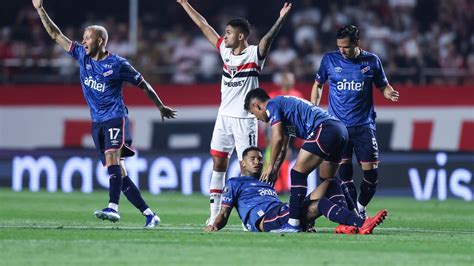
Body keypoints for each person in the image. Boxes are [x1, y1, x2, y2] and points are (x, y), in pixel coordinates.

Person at [33, 0, 177, 228]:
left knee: (112, 157)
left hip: (115, 117)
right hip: (96, 122)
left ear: (100, 41)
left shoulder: (118, 64)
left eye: (87, 37)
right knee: (119, 173)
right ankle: (150, 214)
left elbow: (143, 84)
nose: (83, 41)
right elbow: (55, 35)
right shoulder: (82, 55)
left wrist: (160, 106)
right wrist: (40, 9)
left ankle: (113, 207)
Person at [177, 0, 292, 226]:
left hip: (245, 121)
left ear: (241, 36)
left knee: (250, 168)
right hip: (223, 118)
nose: (225, 36)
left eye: (229, 33)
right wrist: (185, 4)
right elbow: (204, 26)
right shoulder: (224, 51)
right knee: (218, 164)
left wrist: (281, 18)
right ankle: (214, 214)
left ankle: (251, 211)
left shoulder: (253, 55)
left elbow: (267, 40)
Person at [311, 25, 400, 218]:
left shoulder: (372, 61)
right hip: (338, 128)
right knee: (344, 174)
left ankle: (360, 206)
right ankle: (354, 213)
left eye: (346, 47)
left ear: (357, 43)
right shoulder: (329, 60)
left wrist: (388, 92)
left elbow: (383, 85)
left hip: (363, 127)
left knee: (371, 176)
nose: (342, 51)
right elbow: (318, 85)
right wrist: (314, 108)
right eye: (339, 47)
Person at [204, 146, 387, 234]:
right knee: (321, 203)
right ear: (242, 163)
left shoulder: (266, 182)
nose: (257, 161)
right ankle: (360, 223)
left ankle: (347, 224)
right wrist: (214, 226)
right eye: (252, 159)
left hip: (283, 211)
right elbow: (224, 212)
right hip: (267, 219)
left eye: (260, 158)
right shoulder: (235, 182)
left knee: (331, 182)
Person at [244, 88, 348, 233]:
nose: (256, 118)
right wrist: (275, 169)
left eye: (253, 113)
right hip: (340, 129)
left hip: (324, 128)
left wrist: (269, 166)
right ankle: (351, 218)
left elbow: (277, 138)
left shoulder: (272, 105)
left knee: (297, 173)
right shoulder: (284, 109)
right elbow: (283, 147)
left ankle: (293, 223)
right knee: (328, 180)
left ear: (257, 105)